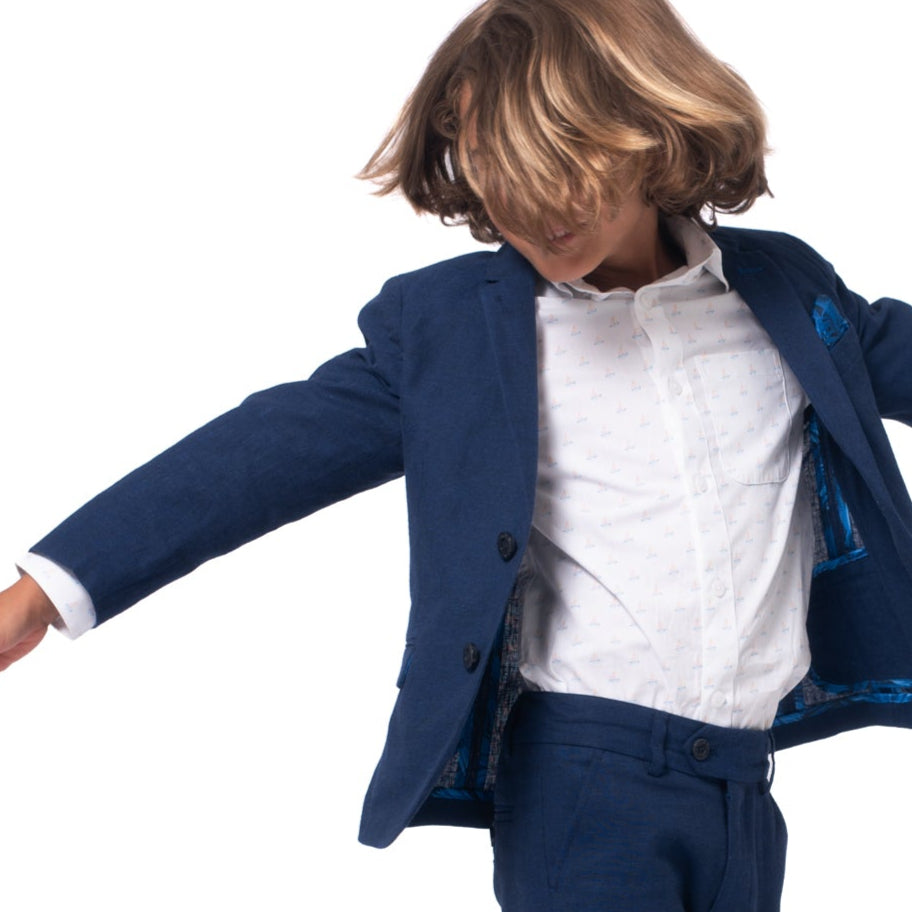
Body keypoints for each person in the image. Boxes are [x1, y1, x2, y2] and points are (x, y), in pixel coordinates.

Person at [2, 0, 911, 909]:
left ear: (650, 126)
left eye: (558, 162)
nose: (530, 204)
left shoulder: (783, 294)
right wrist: (47, 589)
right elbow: (256, 457)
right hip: (584, 780)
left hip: (745, 785)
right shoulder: (462, 332)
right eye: (494, 174)